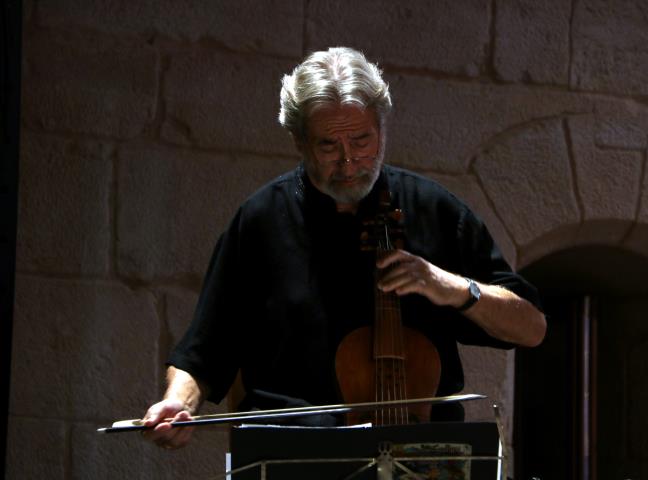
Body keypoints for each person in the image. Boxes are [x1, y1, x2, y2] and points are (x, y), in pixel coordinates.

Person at [142, 47, 546, 449]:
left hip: (419, 458)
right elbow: (205, 349)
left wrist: (453, 287)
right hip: (295, 453)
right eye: (328, 146)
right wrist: (178, 402)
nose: (350, 162)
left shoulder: (434, 209)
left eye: (362, 139)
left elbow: (531, 328)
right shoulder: (261, 219)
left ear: (382, 129)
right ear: (299, 141)